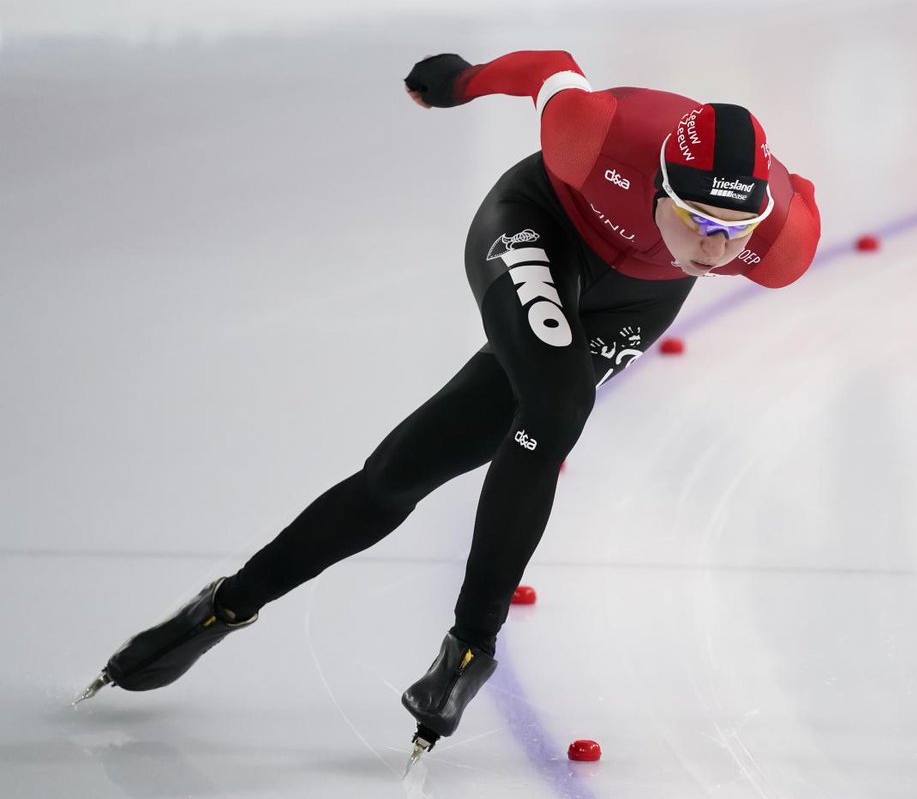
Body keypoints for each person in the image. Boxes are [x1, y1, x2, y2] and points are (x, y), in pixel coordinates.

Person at [76, 49, 821, 771]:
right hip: (538, 225)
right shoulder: (593, 134)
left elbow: (791, 204)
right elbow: (546, 65)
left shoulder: (778, 246)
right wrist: (461, 82)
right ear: (658, 186)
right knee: (558, 404)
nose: (715, 249)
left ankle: (239, 607)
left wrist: (732, 231)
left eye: (735, 232)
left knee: (403, 471)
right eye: (696, 221)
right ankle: (463, 643)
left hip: (634, 298)